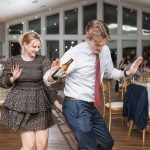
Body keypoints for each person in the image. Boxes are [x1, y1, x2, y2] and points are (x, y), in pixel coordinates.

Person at [43, 20, 143, 150]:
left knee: (106, 142)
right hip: (75, 105)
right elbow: (48, 79)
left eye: (103, 44)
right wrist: (54, 73)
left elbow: (110, 72)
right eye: (97, 45)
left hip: (91, 106)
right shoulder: (75, 54)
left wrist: (127, 72)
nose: (100, 48)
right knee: (88, 146)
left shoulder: (105, 50)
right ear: (87, 38)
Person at [0, 31, 62, 150]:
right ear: (24, 44)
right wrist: (13, 78)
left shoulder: (43, 60)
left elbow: (47, 81)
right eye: (34, 46)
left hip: (40, 107)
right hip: (21, 106)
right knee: (29, 146)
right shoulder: (14, 60)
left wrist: (54, 73)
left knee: (42, 145)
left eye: (38, 47)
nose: (37, 49)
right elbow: (3, 82)